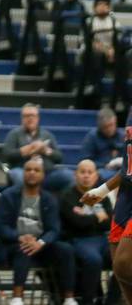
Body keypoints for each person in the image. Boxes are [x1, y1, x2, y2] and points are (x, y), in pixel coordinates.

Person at [0, 158, 77, 305]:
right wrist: (19, 237)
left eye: (36, 170)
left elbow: (54, 229)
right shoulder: (8, 196)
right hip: (13, 244)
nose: (32, 173)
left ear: (43, 175)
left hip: (41, 244)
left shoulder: (49, 199)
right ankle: (17, 298)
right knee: (24, 248)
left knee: (66, 250)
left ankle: (69, 298)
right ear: (23, 173)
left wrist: (41, 242)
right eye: (28, 170)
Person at [81, 109, 132, 305]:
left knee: (124, 264)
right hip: (126, 196)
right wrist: (102, 190)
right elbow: (128, 166)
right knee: (119, 271)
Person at [59, 160, 112, 305]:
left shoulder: (101, 195)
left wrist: (86, 216)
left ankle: (112, 301)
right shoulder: (67, 196)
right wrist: (98, 217)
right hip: (78, 239)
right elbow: (77, 223)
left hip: (102, 239)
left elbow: (109, 222)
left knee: (124, 259)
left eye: (90, 172)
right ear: (75, 175)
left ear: (96, 176)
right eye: (82, 172)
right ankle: (88, 302)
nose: (86, 176)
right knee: (94, 260)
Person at [1, 103, 73, 192]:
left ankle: (57, 204)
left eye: (33, 116)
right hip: (23, 171)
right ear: (22, 118)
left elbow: (59, 157)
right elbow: (7, 155)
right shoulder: (14, 134)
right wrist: (28, 149)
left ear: (38, 118)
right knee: (19, 177)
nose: (30, 118)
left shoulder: (47, 135)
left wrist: (45, 150)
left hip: (46, 173)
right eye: (27, 116)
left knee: (70, 177)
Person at [81, 107, 125, 182]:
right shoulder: (91, 137)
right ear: (100, 126)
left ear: (115, 121)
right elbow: (86, 161)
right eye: (105, 127)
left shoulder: (123, 136)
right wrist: (105, 165)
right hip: (101, 170)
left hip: (121, 170)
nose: (109, 129)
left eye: (111, 125)